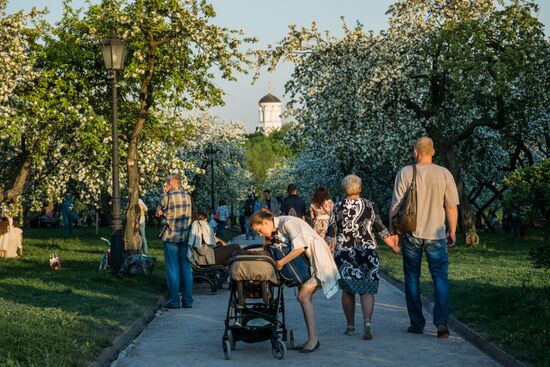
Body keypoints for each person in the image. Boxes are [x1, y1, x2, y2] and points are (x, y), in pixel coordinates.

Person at [390, 137, 459, 338]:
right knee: (440, 278)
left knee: (412, 277)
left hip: (411, 233)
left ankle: (417, 323)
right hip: (437, 234)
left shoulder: (405, 172)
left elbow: (395, 207)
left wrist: (393, 232)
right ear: (433, 152)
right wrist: (452, 230)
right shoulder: (444, 173)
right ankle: (441, 323)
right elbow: (451, 206)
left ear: (415, 151)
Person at [251, 211, 340, 353]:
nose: (261, 234)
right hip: (308, 264)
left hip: (318, 261)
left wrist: (281, 262)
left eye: (260, 230)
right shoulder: (279, 227)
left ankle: (313, 340)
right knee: (305, 298)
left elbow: (299, 248)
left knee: (303, 297)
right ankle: (311, 339)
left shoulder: (288, 223)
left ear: (266, 222)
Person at [331, 175, 400, 340]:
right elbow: (380, 228)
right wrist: (393, 245)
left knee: (347, 289)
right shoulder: (370, 206)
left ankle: (350, 326)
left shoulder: (337, 207)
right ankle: (367, 322)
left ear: (344, 189)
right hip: (367, 251)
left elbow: (330, 233)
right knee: (367, 288)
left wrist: (326, 251)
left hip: (345, 252)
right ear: (359, 189)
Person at [155, 174, 193, 309]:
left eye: (166, 182)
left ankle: (174, 301)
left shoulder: (166, 197)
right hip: (185, 236)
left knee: (172, 268)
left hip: (170, 236)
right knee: (186, 268)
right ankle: (188, 301)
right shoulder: (188, 195)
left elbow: (158, 212)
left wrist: (163, 198)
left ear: (171, 183)